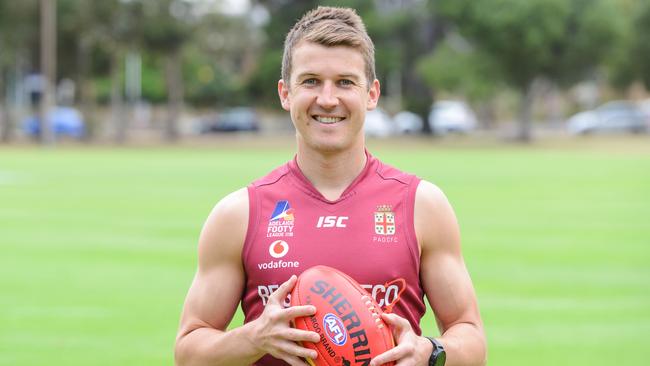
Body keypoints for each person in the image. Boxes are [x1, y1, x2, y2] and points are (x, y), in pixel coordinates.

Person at [175, 6, 486, 366]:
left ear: (371, 94)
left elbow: (471, 337)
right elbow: (188, 352)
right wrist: (255, 337)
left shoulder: (421, 205)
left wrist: (430, 351)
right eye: (310, 81)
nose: (326, 99)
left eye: (344, 82)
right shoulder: (240, 213)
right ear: (285, 93)